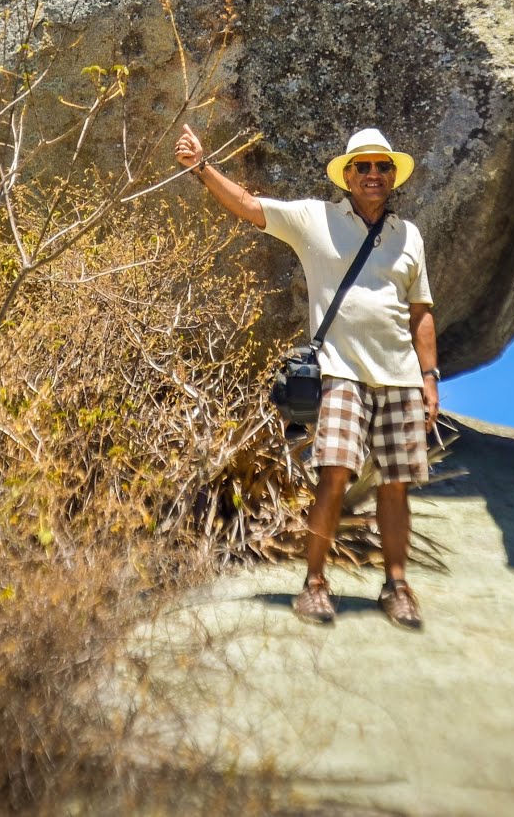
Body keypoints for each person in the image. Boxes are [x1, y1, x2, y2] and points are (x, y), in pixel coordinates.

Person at [174, 123, 439, 630]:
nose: (374, 174)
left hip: (402, 378)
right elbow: (251, 207)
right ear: (347, 175)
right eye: (363, 166)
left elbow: (421, 311)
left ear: (393, 176)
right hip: (340, 371)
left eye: (382, 167)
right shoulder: (315, 219)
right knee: (334, 477)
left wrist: (429, 377)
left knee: (396, 486)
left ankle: (397, 586)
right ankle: (315, 584)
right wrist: (202, 168)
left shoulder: (409, 236)